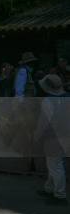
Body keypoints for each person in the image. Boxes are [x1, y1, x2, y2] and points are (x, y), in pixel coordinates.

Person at [35, 74, 68, 205]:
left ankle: (60, 194)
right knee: (54, 163)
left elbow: (44, 121)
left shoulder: (48, 100)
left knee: (55, 165)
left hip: (53, 136)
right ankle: (49, 188)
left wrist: (37, 134)